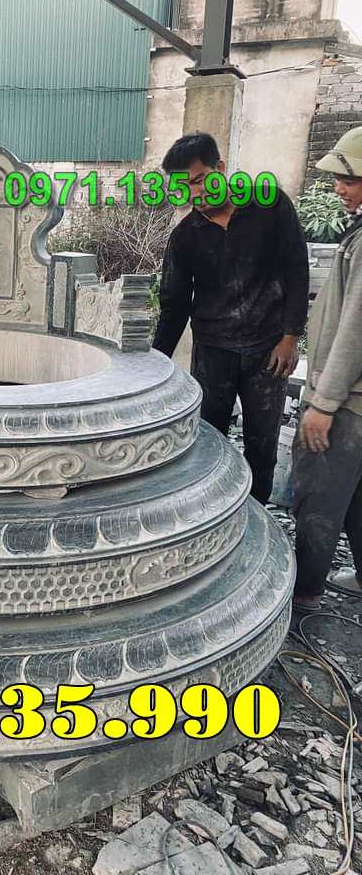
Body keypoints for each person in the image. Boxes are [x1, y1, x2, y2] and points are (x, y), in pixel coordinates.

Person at [152, 133, 309, 504]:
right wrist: (155, 364)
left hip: (268, 351)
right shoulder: (185, 237)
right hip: (213, 353)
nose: (196, 193)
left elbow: (297, 270)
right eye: (185, 188)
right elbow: (174, 306)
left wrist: (291, 336)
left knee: (262, 446)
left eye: (200, 180)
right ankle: (211, 515)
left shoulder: (270, 206)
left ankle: (256, 516)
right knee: (207, 443)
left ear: (220, 168)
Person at [291, 126, 362, 612]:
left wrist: (323, 403)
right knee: (356, 498)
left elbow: (355, 329)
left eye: (348, 180)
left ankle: (305, 596)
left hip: (348, 404)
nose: (338, 188)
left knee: (318, 496)